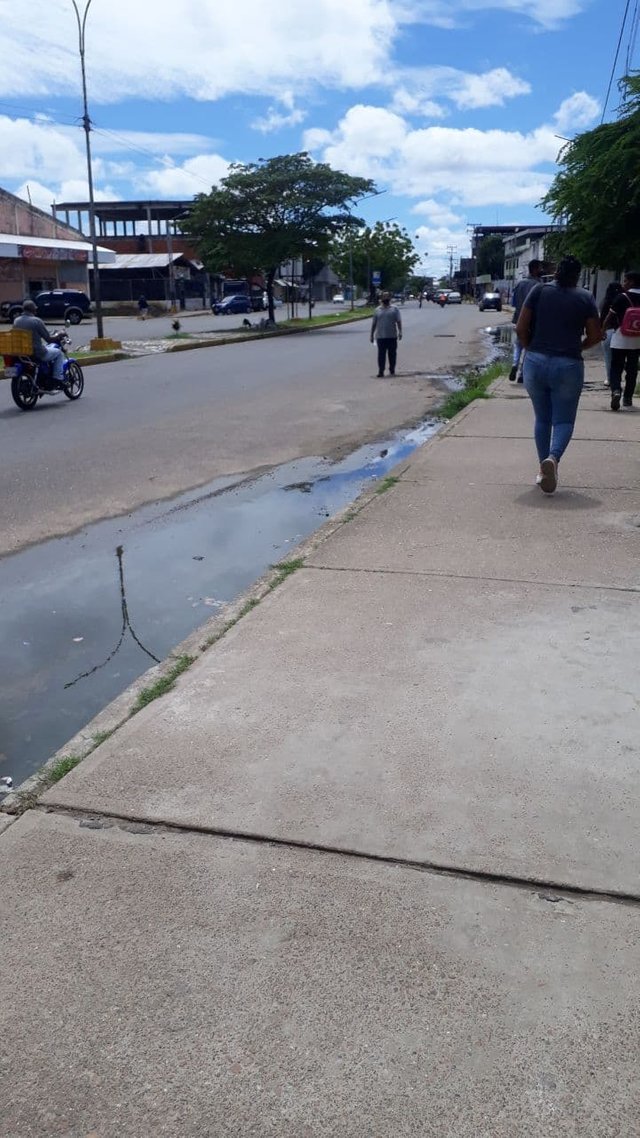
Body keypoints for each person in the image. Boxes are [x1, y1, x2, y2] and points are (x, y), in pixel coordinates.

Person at [516, 256, 601, 494]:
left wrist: (529, 348)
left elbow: (521, 327)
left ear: (555, 272)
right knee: (563, 420)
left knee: (542, 419)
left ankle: (544, 469)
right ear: (577, 275)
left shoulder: (538, 291)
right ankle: (552, 460)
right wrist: (579, 347)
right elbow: (595, 334)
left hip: (536, 361)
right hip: (568, 364)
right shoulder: (585, 297)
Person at [602, 271, 640, 411]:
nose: (623, 284)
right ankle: (628, 398)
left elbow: (609, 317)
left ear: (631, 282)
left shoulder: (621, 297)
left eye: (625, 281)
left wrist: (602, 331)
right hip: (637, 340)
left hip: (620, 338)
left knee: (616, 367)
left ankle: (616, 390)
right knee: (632, 369)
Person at [13, 299, 64, 387]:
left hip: (22, 353)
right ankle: (57, 378)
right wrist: (60, 334)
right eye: (35, 309)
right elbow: (49, 339)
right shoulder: (36, 321)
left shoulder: (16, 321)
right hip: (36, 353)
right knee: (59, 353)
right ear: (33, 310)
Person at [510, 259, 545, 382]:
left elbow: (513, 303)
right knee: (528, 347)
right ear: (535, 269)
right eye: (540, 268)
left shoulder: (520, 284)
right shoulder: (539, 285)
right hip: (533, 321)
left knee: (518, 344)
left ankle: (514, 364)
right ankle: (522, 374)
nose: (542, 270)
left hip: (518, 318)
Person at [370, 291, 402, 377]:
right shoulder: (377, 310)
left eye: (387, 297)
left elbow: (398, 321)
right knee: (381, 355)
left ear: (389, 299)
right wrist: (371, 335)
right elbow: (374, 324)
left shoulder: (395, 309)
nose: (385, 299)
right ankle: (381, 371)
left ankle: (392, 369)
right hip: (380, 337)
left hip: (392, 336)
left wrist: (400, 332)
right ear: (381, 299)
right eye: (384, 297)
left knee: (392, 354)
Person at [599, 280, 623, 387]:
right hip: (621, 332)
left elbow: (601, 318)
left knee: (608, 358)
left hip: (608, 331)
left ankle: (609, 379)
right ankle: (617, 378)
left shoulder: (605, 302)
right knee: (619, 359)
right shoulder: (623, 301)